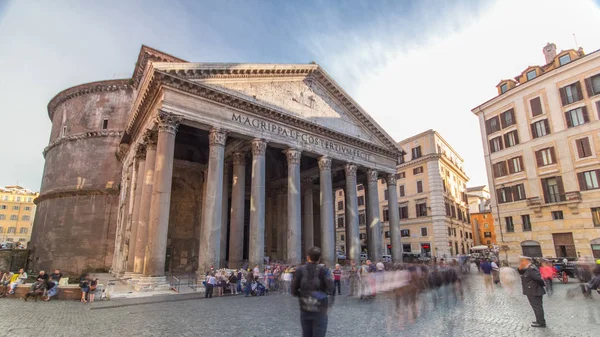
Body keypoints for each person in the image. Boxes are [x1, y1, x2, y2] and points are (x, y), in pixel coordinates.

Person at [291, 247, 334, 337]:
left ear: (308, 257)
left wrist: (302, 295)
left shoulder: (300, 270)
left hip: (305, 307)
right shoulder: (324, 270)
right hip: (320, 309)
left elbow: (293, 290)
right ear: (319, 258)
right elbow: (331, 288)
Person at [518, 256, 546, 328]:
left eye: (522, 261)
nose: (521, 262)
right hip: (532, 291)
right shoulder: (527, 268)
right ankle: (539, 320)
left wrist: (542, 285)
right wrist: (520, 266)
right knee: (536, 307)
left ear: (527, 261)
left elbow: (538, 279)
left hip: (534, 291)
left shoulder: (531, 269)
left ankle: (541, 322)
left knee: (537, 307)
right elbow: (521, 272)